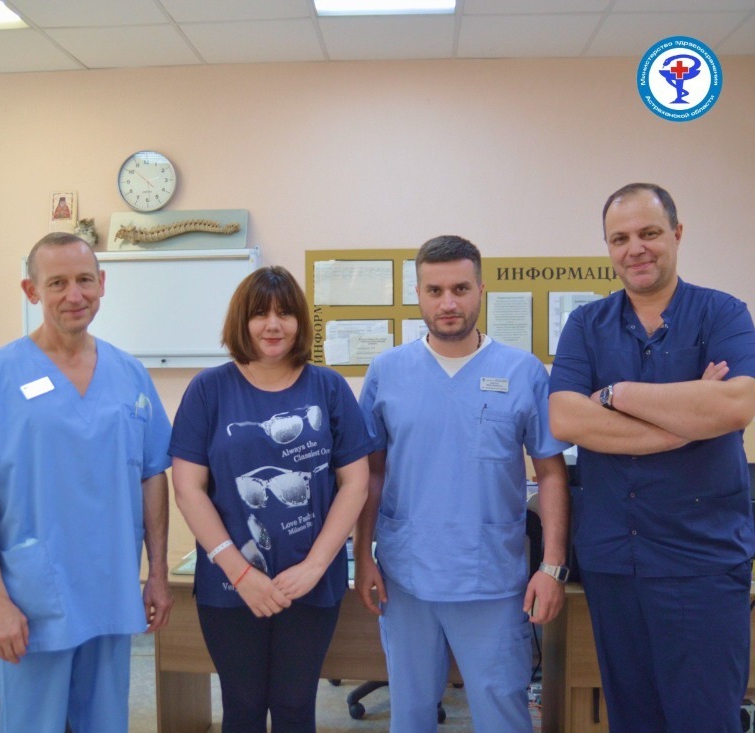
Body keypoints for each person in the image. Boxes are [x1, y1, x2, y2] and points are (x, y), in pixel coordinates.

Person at [549, 183, 755, 733]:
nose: (634, 248)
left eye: (648, 233)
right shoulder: (586, 325)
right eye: (619, 238)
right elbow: (566, 419)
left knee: (705, 719)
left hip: (702, 559)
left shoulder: (723, 313)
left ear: (677, 234)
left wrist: (616, 394)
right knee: (633, 719)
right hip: (615, 562)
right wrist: (686, 419)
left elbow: (735, 405)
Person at [0, 232, 173, 733]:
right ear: (31, 291)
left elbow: (152, 475)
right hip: (33, 597)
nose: (74, 295)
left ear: (102, 283)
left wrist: (158, 573)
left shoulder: (130, 374)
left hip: (111, 588)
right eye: (57, 283)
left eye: (84, 280)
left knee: (106, 724)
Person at [355, 235, 571, 733]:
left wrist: (553, 566)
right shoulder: (387, 371)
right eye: (435, 291)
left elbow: (551, 473)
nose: (448, 303)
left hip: (489, 577)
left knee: (502, 714)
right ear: (418, 294)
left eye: (460, 288)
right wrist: (363, 554)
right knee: (410, 714)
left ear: (481, 290)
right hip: (406, 576)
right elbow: (371, 472)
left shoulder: (523, 371)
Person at [169, 265, 371, 733]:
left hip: (309, 581)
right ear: (242, 321)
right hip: (230, 584)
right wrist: (241, 574)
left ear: (300, 321)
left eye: (285, 313)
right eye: (260, 313)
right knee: (242, 707)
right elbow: (188, 489)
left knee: (296, 705)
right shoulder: (208, 390)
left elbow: (355, 484)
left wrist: (315, 567)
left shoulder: (328, 387)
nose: (273, 325)